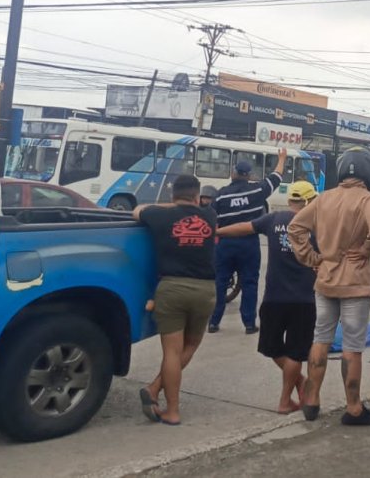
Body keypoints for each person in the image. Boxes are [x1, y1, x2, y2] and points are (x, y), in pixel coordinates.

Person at [289, 146, 370, 426]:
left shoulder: (324, 199)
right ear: (369, 171)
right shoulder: (368, 199)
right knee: (352, 346)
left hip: (325, 279)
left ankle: (311, 400)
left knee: (320, 338)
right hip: (355, 282)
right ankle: (354, 407)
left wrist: (311, 258)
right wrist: (368, 249)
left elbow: (295, 228)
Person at [217, 180, 319, 415]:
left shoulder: (274, 220)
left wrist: (218, 231)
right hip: (303, 300)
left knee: (271, 347)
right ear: (308, 201)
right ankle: (292, 392)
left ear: (290, 200)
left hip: (273, 298)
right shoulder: (316, 226)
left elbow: (244, 227)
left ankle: (295, 389)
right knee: (295, 352)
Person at [133, 174, 218, 426]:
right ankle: (154, 388)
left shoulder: (158, 215)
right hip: (205, 290)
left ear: (172, 195)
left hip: (171, 288)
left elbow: (137, 211)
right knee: (190, 345)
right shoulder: (210, 216)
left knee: (171, 351)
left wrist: (170, 205)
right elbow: (195, 207)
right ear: (197, 195)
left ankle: (172, 409)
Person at [209, 148, 287, 334]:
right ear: (249, 175)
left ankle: (213, 322)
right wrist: (282, 158)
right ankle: (249, 324)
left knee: (219, 282)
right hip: (249, 244)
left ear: (233, 173)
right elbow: (276, 177)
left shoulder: (220, 195)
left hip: (225, 244)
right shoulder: (257, 191)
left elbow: (212, 220)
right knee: (250, 283)